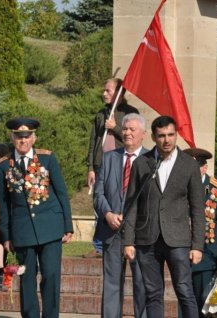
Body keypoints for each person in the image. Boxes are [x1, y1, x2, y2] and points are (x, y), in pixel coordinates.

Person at [122, 115, 205, 318]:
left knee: (184, 290)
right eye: (161, 136)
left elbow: (197, 208)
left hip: (178, 240)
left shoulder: (189, 165)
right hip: (147, 240)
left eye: (170, 135)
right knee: (153, 294)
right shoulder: (142, 163)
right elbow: (132, 205)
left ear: (176, 135)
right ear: (153, 137)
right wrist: (128, 241)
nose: (166, 140)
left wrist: (197, 245)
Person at [0, 117, 73, 318]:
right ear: (12, 138)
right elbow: (3, 204)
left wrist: (68, 226)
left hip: (51, 226)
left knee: (51, 275)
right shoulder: (3, 166)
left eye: (27, 136)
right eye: (19, 137)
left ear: (34, 137)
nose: (23, 140)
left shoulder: (47, 159)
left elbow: (62, 193)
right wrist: (6, 236)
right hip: (22, 231)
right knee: (27, 278)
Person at [93, 113, 148, 318]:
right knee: (111, 284)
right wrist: (107, 214)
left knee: (141, 285)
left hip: (141, 234)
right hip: (112, 230)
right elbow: (98, 193)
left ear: (143, 134)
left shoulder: (152, 160)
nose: (127, 133)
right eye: (125, 129)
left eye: (133, 129)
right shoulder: (109, 158)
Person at [86, 78, 139, 258]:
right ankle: (98, 245)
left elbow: (133, 138)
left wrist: (115, 127)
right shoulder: (101, 114)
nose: (104, 94)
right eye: (104, 90)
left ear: (119, 93)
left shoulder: (130, 113)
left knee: (120, 201)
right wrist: (91, 167)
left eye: (108, 91)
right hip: (102, 164)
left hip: (121, 163)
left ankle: (126, 240)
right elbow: (93, 141)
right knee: (99, 202)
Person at [179, 148, 217, 317]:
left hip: (207, 253)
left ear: (204, 167)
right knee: (184, 298)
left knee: (204, 299)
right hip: (180, 250)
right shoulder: (177, 185)